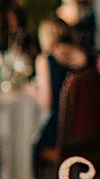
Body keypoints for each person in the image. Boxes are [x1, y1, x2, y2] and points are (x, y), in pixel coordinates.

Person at [30, 18, 87, 151]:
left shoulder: (45, 60)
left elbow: (46, 103)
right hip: (88, 127)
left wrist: (33, 91)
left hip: (61, 128)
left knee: (31, 147)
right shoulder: (85, 56)